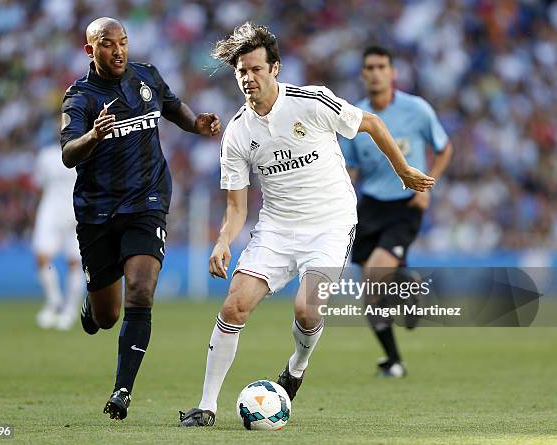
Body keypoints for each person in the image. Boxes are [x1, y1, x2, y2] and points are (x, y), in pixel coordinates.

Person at [179, 23, 434, 427]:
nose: (248, 78)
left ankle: (297, 366)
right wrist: (223, 240)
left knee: (306, 308)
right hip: (277, 228)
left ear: (275, 68)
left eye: (256, 69)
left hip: (330, 223)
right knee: (234, 305)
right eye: (241, 71)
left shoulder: (311, 101)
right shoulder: (237, 133)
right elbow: (236, 207)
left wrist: (403, 172)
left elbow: (371, 123)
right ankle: (206, 406)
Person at [60, 17, 221, 420]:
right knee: (107, 315)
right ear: (90, 50)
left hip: (147, 203)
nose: (118, 50)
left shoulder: (146, 77)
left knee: (141, 291)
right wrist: (93, 136)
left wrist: (196, 124)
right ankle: (92, 304)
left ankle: (121, 392)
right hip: (97, 211)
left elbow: (172, 107)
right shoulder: (79, 98)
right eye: (108, 44)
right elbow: (68, 154)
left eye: (123, 42)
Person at [342, 46, 452, 377]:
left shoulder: (417, 110)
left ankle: (409, 289)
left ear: (393, 72)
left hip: (406, 204)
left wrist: (427, 189)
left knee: (376, 275)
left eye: (381, 66)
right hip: (371, 205)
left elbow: (444, 148)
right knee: (370, 291)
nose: (375, 72)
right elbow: (350, 170)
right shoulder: (353, 117)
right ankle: (394, 360)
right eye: (369, 67)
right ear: (363, 74)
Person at [32, 141, 83, 330]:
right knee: (42, 257)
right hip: (50, 211)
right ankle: (54, 303)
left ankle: (70, 309)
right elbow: (39, 186)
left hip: (75, 212)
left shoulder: (85, 149)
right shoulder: (46, 155)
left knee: (75, 262)